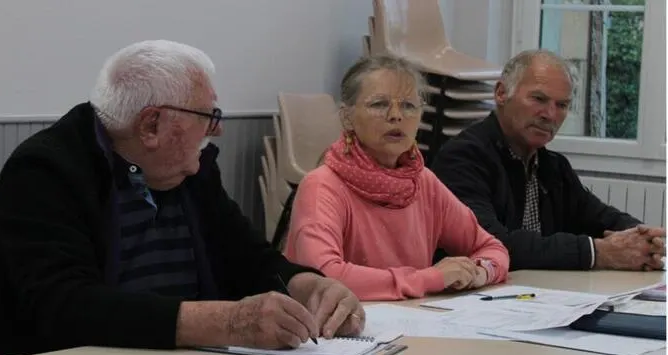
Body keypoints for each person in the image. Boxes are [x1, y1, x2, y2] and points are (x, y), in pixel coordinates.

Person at [0, 40, 365, 355]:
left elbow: (247, 258)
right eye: (208, 116)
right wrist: (228, 323)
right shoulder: (44, 172)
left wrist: (307, 286)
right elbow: (65, 307)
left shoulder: (192, 169)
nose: (217, 130)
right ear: (151, 125)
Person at [282, 55, 510, 301]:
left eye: (409, 106)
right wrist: (428, 279)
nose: (396, 116)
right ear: (347, 117)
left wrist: (478, 273)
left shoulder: (423, 182)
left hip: (412, 319)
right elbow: (323, 277)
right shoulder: (322, 185)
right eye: (379, 104)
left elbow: (491, 248)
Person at [431, 49, 666, 271]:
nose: (550, 115)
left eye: (561, 105)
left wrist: (643, 239)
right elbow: (490, 244)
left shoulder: (553, 166)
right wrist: (598, 252)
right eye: (538, 99)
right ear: (501, 93)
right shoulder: (463, 157)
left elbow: (600, 216)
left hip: (538, 291)